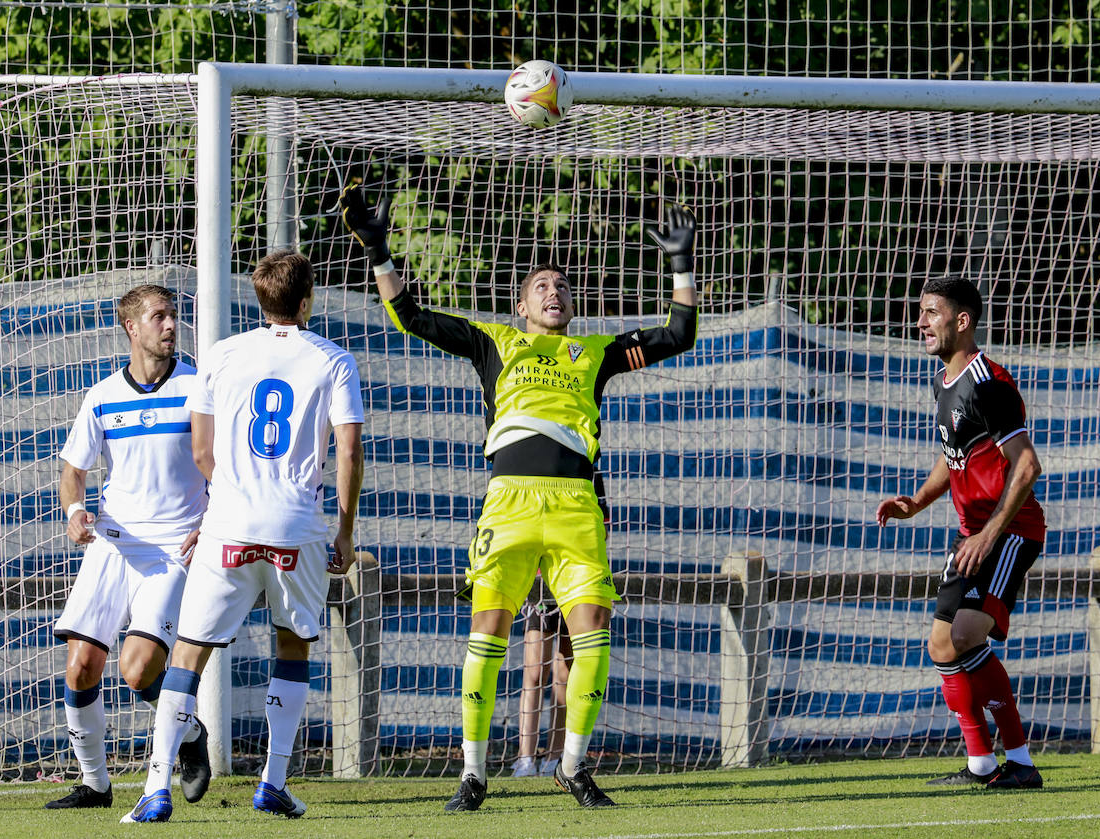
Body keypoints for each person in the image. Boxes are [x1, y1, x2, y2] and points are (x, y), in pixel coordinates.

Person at [341, 181, 698, 811]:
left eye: (562, 286)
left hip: (575, 511)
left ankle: (574, 765)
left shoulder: (596, 352)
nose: (553, 291)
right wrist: (377, 247)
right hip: (507, 506)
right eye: (541, 286)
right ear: (521, 303)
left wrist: (680, 265)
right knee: (488, 631)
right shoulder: (494, 343)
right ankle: (473, 774)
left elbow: (678, 333)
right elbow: (411, 317)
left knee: (592, 629)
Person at [121, 250, 365, 823]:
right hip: (296, 528)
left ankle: (156, 787)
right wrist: (345, 534)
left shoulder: (221, 356)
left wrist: (232, 496)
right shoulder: (334, 360)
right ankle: (273, 781)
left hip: (227, 526)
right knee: (293, 644)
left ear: (259, 300)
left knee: (187, 654)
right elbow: (349, 450)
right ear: (307, 300)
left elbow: (202, 450)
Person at [876, 277, 1045, 790]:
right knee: (941, 646)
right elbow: (955, 456)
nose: (920, 322)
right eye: (920, 312)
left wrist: (990, 533)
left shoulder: (988, 383)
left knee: (966, 635)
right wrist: (917, 502)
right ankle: (981, 765)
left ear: (962, 320)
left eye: (931, 312)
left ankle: (1020, 761)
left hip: (1009, 530)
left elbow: (1027, 465)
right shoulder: (944, 381)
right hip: (974, 533)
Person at [49, 284, 211, 809]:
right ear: (132, 328)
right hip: (112, 544)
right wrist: (76, 511)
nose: (170, 326)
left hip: (172, 551)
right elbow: (72, 473)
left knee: (137, 671)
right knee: (80, 667)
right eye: (159, 317)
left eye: (173, 316)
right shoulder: (101, 396)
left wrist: (213, 519)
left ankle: (190, 738)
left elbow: (229, 465)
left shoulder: (199, 388)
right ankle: (95, 785)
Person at [512, 599, 570, 778]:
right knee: (534, 673)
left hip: (573, 583)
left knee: (564, 675)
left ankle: (553, 758)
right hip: (541, 589)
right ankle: (525, 759)